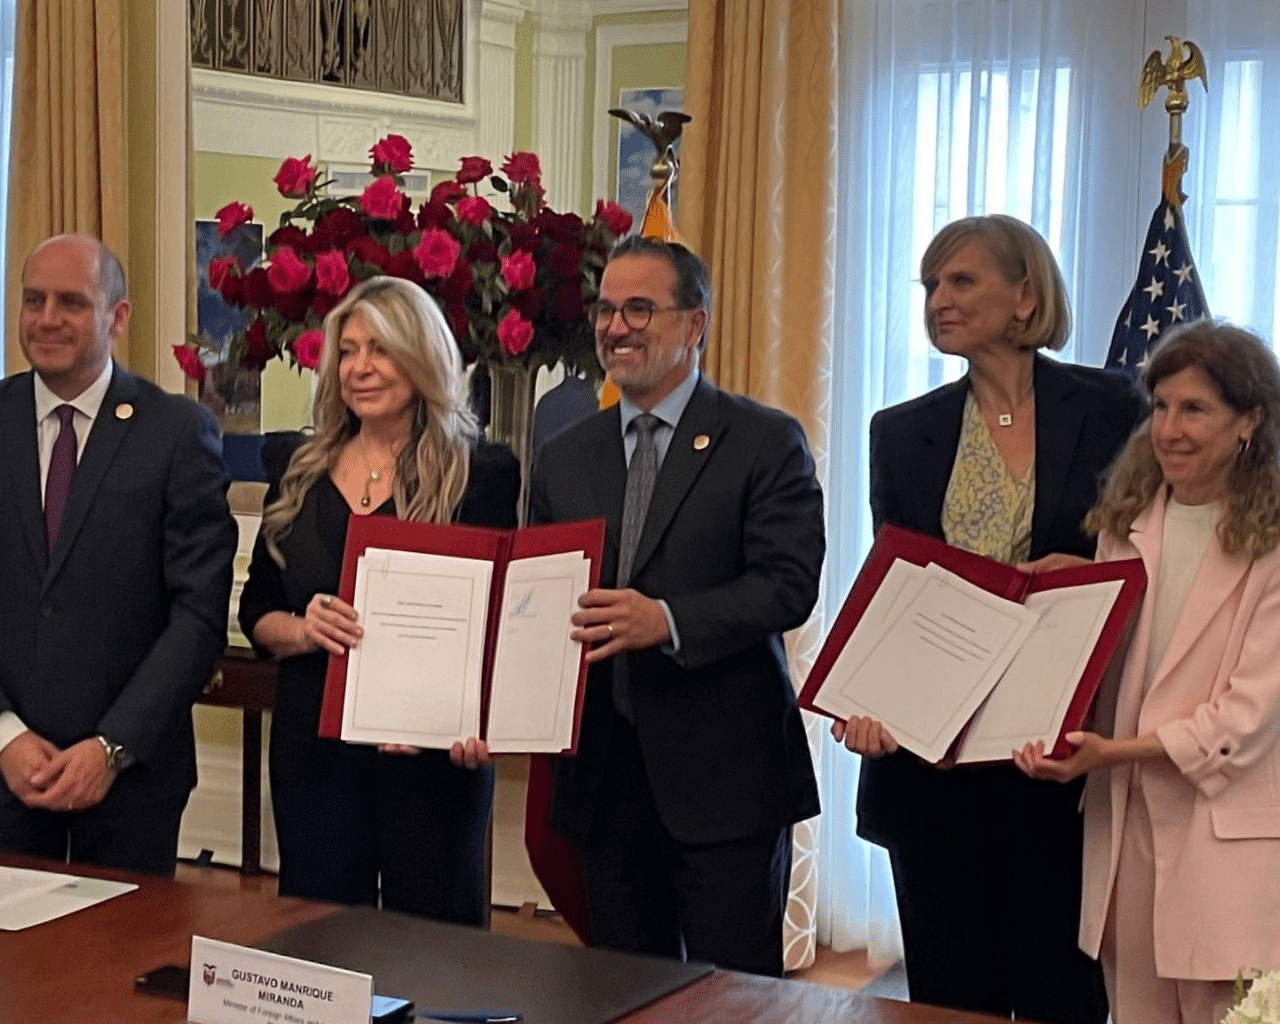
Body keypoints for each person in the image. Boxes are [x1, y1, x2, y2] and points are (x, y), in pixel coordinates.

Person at [835, 215, 1145, 1022]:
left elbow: (1157, 553)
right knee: (950, 1000)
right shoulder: (901, 432)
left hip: (1057, 760)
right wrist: (870, 702)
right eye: (930, 285)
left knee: (1061, 995)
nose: (938, 299)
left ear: (1025, 295)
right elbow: (899, 591)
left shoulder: (1115, 408)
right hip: (934, 768)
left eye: (961, 280)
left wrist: (1090, 573)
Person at [525, 235, 823, 976]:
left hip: (727, 782)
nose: (615, 327)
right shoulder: (564, 456)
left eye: (639, 309)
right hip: (604, 784)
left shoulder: (764, 442)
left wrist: (668, 621)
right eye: (605, 310)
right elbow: (538, 598)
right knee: (623, 992)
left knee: (733, 999)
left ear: (695, 325)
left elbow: (788, 585)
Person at [1014, 321, 1280, 1024]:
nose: (1169, 429)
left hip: (1228, 835)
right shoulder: (1124, 525)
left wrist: (1113, 753)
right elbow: (1107, 668)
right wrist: (1068, 600)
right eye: (1161, 406)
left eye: (1195, 409)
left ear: (1250, 421)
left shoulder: (1275, 543)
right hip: (1125, 828)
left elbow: (1245, 719)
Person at [238, 276, 519, 924]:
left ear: (422, 357)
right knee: (321, 938)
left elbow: (496, 622)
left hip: (431, 758)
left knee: (435, 945)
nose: (359, 367)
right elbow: (257, 611)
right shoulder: (297, 468)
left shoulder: (481, 474)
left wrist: (465, 718)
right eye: (348, 350)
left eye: (381, 349)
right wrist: (304, 629)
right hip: (315, 750)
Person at [0, 233, 236, 875]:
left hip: (132, 786)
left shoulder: (176, 433)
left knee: (119, 944)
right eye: (33, 300)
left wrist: (111, 747)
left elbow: (197, 615)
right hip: (5, 774)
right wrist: (6, 735)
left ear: (118, 315)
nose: (47, 318)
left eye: (72, 302)